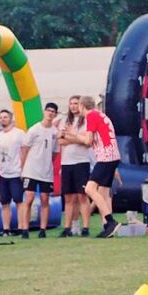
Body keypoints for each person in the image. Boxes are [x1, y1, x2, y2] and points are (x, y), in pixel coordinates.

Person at [65, 95, 121, 238]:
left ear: (82, 106)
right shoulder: (100, 115)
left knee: (90, 189)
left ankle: (110, 221)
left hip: (105, 156)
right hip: (112, 155)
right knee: (103, 192)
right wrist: (78, 135)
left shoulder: (91, 116)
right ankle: (107, 227)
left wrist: (73, 135)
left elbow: (88, 141)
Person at [19, 103, 60, 239]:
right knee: (29, 198)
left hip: (46, 172)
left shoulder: (55, 132)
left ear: (55, 114)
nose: (50, 113)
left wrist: (48, 163)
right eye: (48, 110)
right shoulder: (34, 129)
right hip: (31, 170)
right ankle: (25, 228)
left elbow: (55, 152)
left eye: (53, 111)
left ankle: (43, 229)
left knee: (44, 199)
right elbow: (25, 148)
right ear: (44, 112)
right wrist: (22, 168)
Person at [57, 96, 92, 237]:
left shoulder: (86, 121)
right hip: (66, 163)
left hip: (81, 162)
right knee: (68, 197)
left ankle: (85, 227)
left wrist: (70, 136)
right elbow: (61, 141)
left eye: (76, 103)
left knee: (82, 196)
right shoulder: (65, 121)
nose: (73, 106)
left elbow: (86, 141)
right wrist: (76, 137)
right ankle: (67, 228)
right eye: (70, 103)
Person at [0, 109, 25, 236]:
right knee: (4, 203)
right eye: (1, 117)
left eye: (5, 117)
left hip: (16, 172)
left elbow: (23, 151)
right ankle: (6, 229)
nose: (3, 119)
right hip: (2, 173)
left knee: (19, 201)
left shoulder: (19, 134)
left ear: (10, 118)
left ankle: (22, 227)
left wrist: (23, 169)